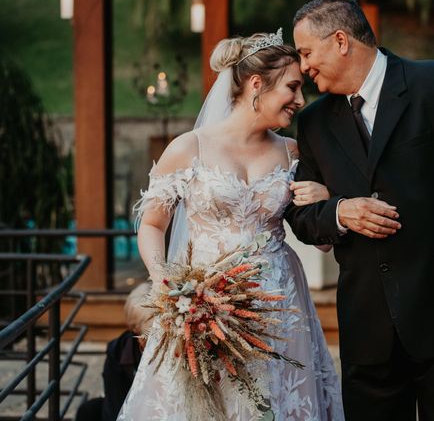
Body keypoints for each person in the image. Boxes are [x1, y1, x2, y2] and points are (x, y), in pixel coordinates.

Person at [285, 0, 434, 420]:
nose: (304, 67)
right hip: (368, 330)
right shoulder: (312, 123)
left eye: (308, 53)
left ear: (341, 41)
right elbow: (301, 214)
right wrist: (339, 212)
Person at [117, 30, 344, 420]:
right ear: (257, 84)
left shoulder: (293, 152)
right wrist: (166, 283)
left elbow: (321, 241)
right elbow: (152, 224)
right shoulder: (190, 148)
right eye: (292, 86)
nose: (300, 100)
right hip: (203, 300)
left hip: (280, 300)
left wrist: (327, 200)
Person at [75, 282, 153, 421]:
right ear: (133, 328)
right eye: (147, 334)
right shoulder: (118, 351)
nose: (153, 340)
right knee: (88, 410)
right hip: (128, 412)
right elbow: (114, 406)